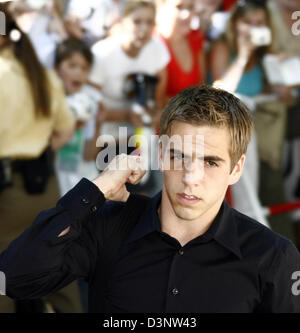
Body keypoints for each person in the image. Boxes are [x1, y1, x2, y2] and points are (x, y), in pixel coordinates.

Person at [1, 85, 300, 313]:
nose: (190, 177)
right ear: (160, 154)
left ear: (236, 169)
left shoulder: (272, 257)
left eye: (210, 162)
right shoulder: (109, 227)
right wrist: (96, 190)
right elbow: (13, 278)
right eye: (178, 156)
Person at [0, 3, 83, 313]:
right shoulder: (42, 74)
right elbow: (64, 129)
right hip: (44, 187)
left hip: (8, 195)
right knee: (55, 269)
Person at [156, 0, 206, 100]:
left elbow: (202, 87)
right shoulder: (155, 43)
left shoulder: (196, 37)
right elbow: (158, 101)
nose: (186, 14)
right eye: (179, 7)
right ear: (161, 7)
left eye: (190, 7)